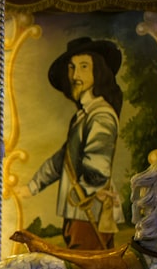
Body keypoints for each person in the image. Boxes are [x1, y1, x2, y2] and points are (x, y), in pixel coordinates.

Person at [19, 37, 124, 250]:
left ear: (98, 72)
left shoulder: (101, 115)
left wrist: (81, 194)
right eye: (72, 68)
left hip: (88, 213)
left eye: (83, 67)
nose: (75, 75)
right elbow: (63, 159)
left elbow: (97, 170)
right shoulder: (83, 116)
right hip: (78, 213)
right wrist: (32, 186)